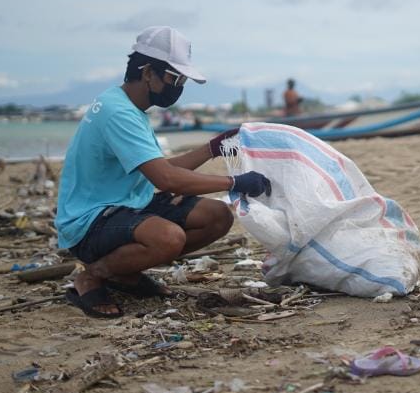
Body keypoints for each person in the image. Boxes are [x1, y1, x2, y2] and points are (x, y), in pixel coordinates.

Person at [56, 26, 272, 318]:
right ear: (147, 72)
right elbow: (166, 179)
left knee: (217, 217)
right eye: (175, 78)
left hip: (128, 204)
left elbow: (161, 168)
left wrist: (213, 148)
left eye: (182, 79)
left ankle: (124, 273)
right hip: (90, 221)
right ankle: (92, 275)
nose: (179, 86)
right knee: (168, 238)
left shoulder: (129, 106)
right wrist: (235, 182)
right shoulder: (118, 112)